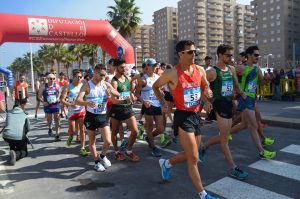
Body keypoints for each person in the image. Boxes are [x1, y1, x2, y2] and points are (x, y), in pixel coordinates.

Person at [152, 40, 217, 199]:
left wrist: (207, 99)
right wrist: (164, 104)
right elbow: (155, 86)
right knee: (194, 157)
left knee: (191, 154)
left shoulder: (200, 69)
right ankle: (203, 194)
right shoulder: (172, 73)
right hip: (182, 116)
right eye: (190, 52)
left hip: (195, 116)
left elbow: (204, 87)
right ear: (180, 54)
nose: (194, 54)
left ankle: (166, 163)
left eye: (195, 52)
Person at [199, 44, 248, 180]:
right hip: (218, 106)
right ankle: (233, 168)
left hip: (229, 105)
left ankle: (204, 146)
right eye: (228, 55)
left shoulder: (231, 69)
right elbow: (198, 87)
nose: (230, 57)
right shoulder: (212, 72)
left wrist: (244, 95)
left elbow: (236, 86)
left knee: (224, 136)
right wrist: (206, 101)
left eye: (231, 55)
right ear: (219, 55)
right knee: (225, 139)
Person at [231, 46, 276, 159]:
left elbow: (262, 83)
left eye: (258, 55)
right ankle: (261, 151)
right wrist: (238, 91)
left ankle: (224, 134)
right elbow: (229, 77)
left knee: (244, 125)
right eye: (256, 55)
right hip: (245, 99)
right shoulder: (241, 68)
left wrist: (267, 79)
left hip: (252, 98)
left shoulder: (257, 69)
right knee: (253, 125)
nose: (258, 57)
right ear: (249, 56)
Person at [76, 65, 119, 172]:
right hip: (91, 117)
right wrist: (87, 103)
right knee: (92, 141)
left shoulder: (105, 84)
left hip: (102, 116)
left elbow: (117, 93)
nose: (103, 77)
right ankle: (96, 162)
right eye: (101, 75)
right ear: (95, 72)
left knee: (108, 141)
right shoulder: (87, 85)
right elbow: (78, 100)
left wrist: (111, 92)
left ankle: (103, 156)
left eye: (104, 75)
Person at [135, 58, 171, 157]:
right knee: (149, 128)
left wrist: (162, 93)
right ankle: (153, 147)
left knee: (160, 129)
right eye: (153, 66)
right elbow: (136, 94)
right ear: (147, 67)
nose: (156, 67)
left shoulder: (157, 77)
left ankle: (149, 138)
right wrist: (143, 101)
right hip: (148, 106)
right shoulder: (143, 80)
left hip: (157, 105)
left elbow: (158, 89)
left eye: (156, 65)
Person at [110, 58, 140, 161]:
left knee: (135, 131)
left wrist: (132, 98)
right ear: (116, 68)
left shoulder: (128, 78)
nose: (124, 69)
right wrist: (124, 100)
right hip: (117, 109)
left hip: (127, 108)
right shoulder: (114, 82)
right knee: (114, 132)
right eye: (121, 67)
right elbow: (113, 100)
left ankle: (129, 151)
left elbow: (129, 92)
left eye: (125, 67)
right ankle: (116, 152)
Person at [61, 69, 87, 156]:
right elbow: (62, 100)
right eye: (78, 77)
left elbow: (88, 96)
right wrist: (70, 104)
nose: (80, 78)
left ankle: (82, 148)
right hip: (72, 111)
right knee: (72, 130)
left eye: (81, 77)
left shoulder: (83, 86)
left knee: (82, 129)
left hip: (81, 110)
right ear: (73, 77)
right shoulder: (68, 86)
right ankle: (71, 136)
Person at [2, 101, 30, 165]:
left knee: (11, 139)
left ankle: (12, 150)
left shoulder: (8, 114)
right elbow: (28, 128)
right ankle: (16, 155)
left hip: (7, 136)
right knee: (24, 151)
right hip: (19, 137)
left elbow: (7, 125)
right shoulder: (24, 115)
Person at [38, 73, 61, 141]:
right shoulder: (43, 86)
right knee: (49, 120)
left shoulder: (56, 85)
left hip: (55, 105)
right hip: (48, 106)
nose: (52, 80)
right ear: (47, 79)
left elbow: (59, 92)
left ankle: (57, 135)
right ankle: (50, 127)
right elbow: (39, 96)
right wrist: (43, 102)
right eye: (50, 79)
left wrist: (58, 97)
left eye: (53, 79)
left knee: (57, 120)